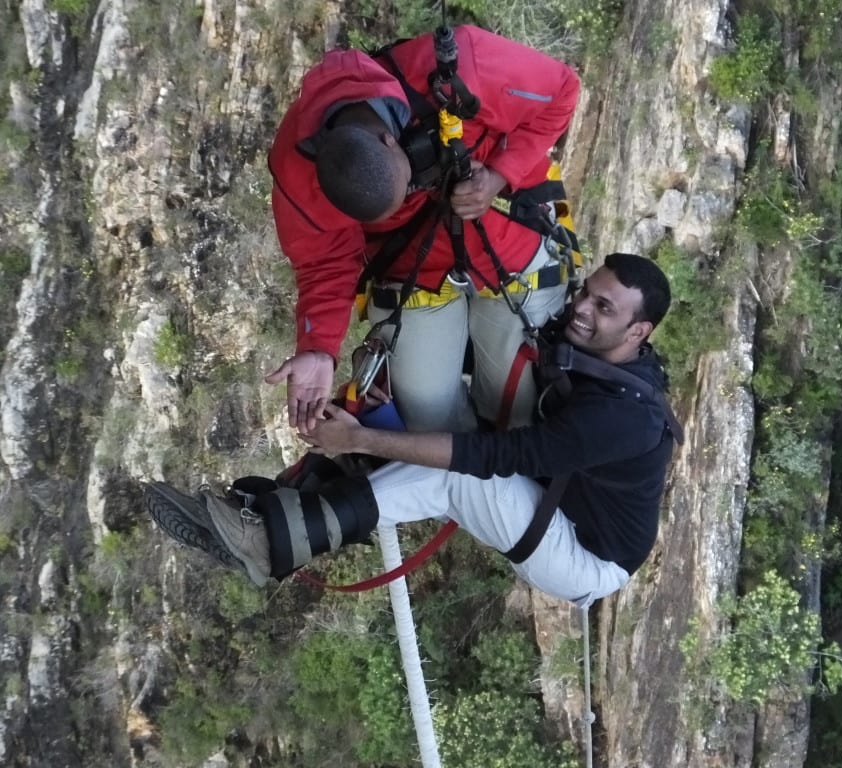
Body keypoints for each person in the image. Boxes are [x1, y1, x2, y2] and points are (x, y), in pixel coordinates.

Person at [147, 254, 681, 607]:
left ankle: (268, 542)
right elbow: (472, 362)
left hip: (586, 560)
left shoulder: (626, 415)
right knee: (444, 457)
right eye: (586, 292)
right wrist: (391, 394)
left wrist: (363, 438)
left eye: (603, 307)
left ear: (639, 331)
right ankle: (268, 516)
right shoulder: (598, 356)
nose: (581, 308)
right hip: (556, 506)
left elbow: (498, 455)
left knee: (463, 478)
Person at [264, 24, 582, 435]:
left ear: (390, 139)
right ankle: (460, 490)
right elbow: (324, 263)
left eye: (407, 187)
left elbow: (561, 91)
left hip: (509, 233)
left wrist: (500, 175)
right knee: (430, 425)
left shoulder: (459, 65)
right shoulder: (297, 178)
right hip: (411, 264)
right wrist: (318, 348)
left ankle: (515, 479)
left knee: (522, 408)